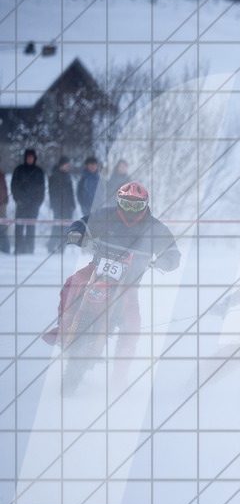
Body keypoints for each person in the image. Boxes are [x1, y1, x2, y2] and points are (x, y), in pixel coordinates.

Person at [44, 182, 181, 372]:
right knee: (72, 283)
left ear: (145, 205)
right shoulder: (106, 215)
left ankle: (120, 372)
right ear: (119, 201)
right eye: (126, 204)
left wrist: (166, 261)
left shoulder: (154, 228)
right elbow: (83, 223)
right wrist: (77, 232)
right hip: (96, 270)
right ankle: (63, 325)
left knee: (132, 322)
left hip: (129, 282)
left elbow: (172, 252)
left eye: (136, 206)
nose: (131, 209)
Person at [10, 149, 45, 254]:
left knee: (31, 227)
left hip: (34, 204)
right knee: (19, 226)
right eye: (28, 157)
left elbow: (42, 188)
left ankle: (30, 249)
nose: (30, 159)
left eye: (32, 158)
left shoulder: (38, 171)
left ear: (34, 158)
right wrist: (17, 199)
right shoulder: (19, 170)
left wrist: (39, 201)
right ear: (25, 158)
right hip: (21, 203)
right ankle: (18, 249)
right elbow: (14, 185)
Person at [47, 155, 76, 253]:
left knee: (66, 227)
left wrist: (72, 204)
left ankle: (62, 248)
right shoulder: (54, 175)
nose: (68, 166)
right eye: (66, 164)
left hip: (68, 206)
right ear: (61, 164)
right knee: (57, 226)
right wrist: (55, 204)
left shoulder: (68, 175)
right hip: (58, 206)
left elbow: (71, 192)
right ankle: (51, 246)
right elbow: (52, 192)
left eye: (69, 165)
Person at [0, 155, 9, 254]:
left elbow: (4, 188)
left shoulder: (1, 174)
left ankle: (5, 248)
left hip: (2, 203)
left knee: (3, 225)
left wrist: (5, 199)